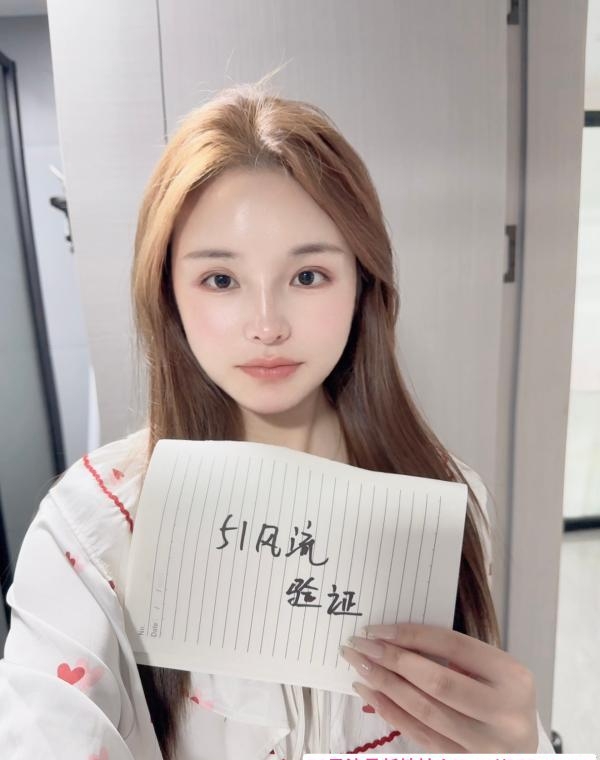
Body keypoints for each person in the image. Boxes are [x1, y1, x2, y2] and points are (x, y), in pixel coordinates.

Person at [0, 80, 555, 759]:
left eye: (308, 275)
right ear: (168, 293)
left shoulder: (449, 500)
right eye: (221, 280)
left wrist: (522, 746)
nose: (266, 326)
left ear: (363, 283)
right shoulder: (92, 528)